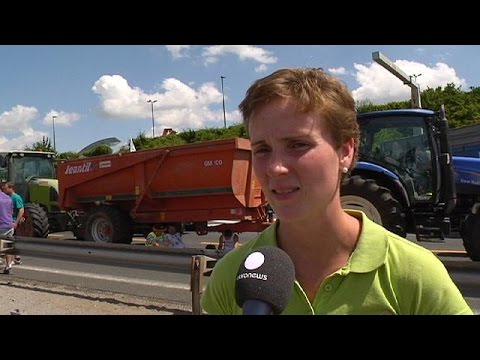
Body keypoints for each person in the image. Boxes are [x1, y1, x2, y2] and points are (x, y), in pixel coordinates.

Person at [201, 67, 473, 315]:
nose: (275, 168)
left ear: (346, 151)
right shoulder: (231, 275)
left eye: (297, 145)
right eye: (262, 150)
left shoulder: (413, 274)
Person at [3, 182, 24, 265]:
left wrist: (16, 222)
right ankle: (16, 257)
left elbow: (21, 210)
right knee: (11, 239)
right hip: (8, 221)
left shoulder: (16, 197)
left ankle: (15, 257)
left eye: (5, 188)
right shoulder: (7, 197)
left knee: (11, 240)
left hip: (13, 221)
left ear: (11, 188)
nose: (4, 190)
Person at [0, 181, 14, 274]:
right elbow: (11, 212)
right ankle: (8, 266)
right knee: (8, 247)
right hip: (9, 225)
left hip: (1, 225)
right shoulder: (8, 198)